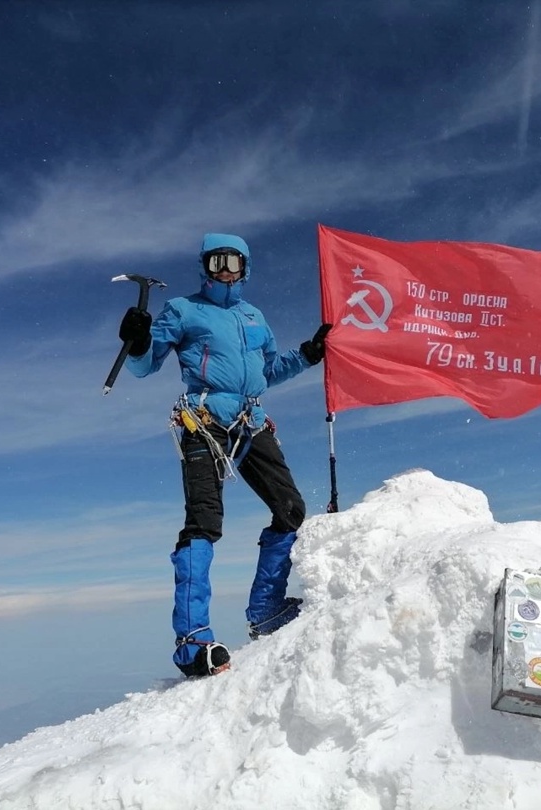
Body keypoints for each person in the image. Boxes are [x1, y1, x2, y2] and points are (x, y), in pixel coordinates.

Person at [118, 233, 331, 678]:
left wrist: (308, 356)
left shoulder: (254, 316)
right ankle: (192, 644)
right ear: (204, 265)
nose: (225, 269)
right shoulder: (183, 309)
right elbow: (144, 366)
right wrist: (138, 342)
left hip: (251, 422)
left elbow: (269, 370)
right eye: (217, 261)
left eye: (233, 261)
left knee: (290, 508)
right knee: (204, 520)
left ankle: (266, 611)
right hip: (205, 421)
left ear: (246, 266)